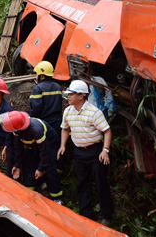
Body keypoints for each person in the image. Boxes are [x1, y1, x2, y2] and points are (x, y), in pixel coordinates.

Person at [57, 80, 114, 225]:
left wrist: (105, 150)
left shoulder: (94, 112)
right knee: (82, 182)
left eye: (71, 94)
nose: (68, 96)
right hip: (79, 152)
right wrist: (62, 145)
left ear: (81, 96)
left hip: (95, 151)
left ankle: (107, 215)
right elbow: (65, 128)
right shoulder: (68, 111)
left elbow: (107, 131)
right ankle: (86, 214)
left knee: (101, 182)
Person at [2, 111, 63, 203]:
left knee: (50, 168)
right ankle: (31, 191)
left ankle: (57, 197)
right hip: (34, 146)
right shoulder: (17, 130)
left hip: (50, 145)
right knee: (28, 164)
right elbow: (18, 148)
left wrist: (41, 169)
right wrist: (17, 165)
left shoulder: (36, 130)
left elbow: (45, 151)